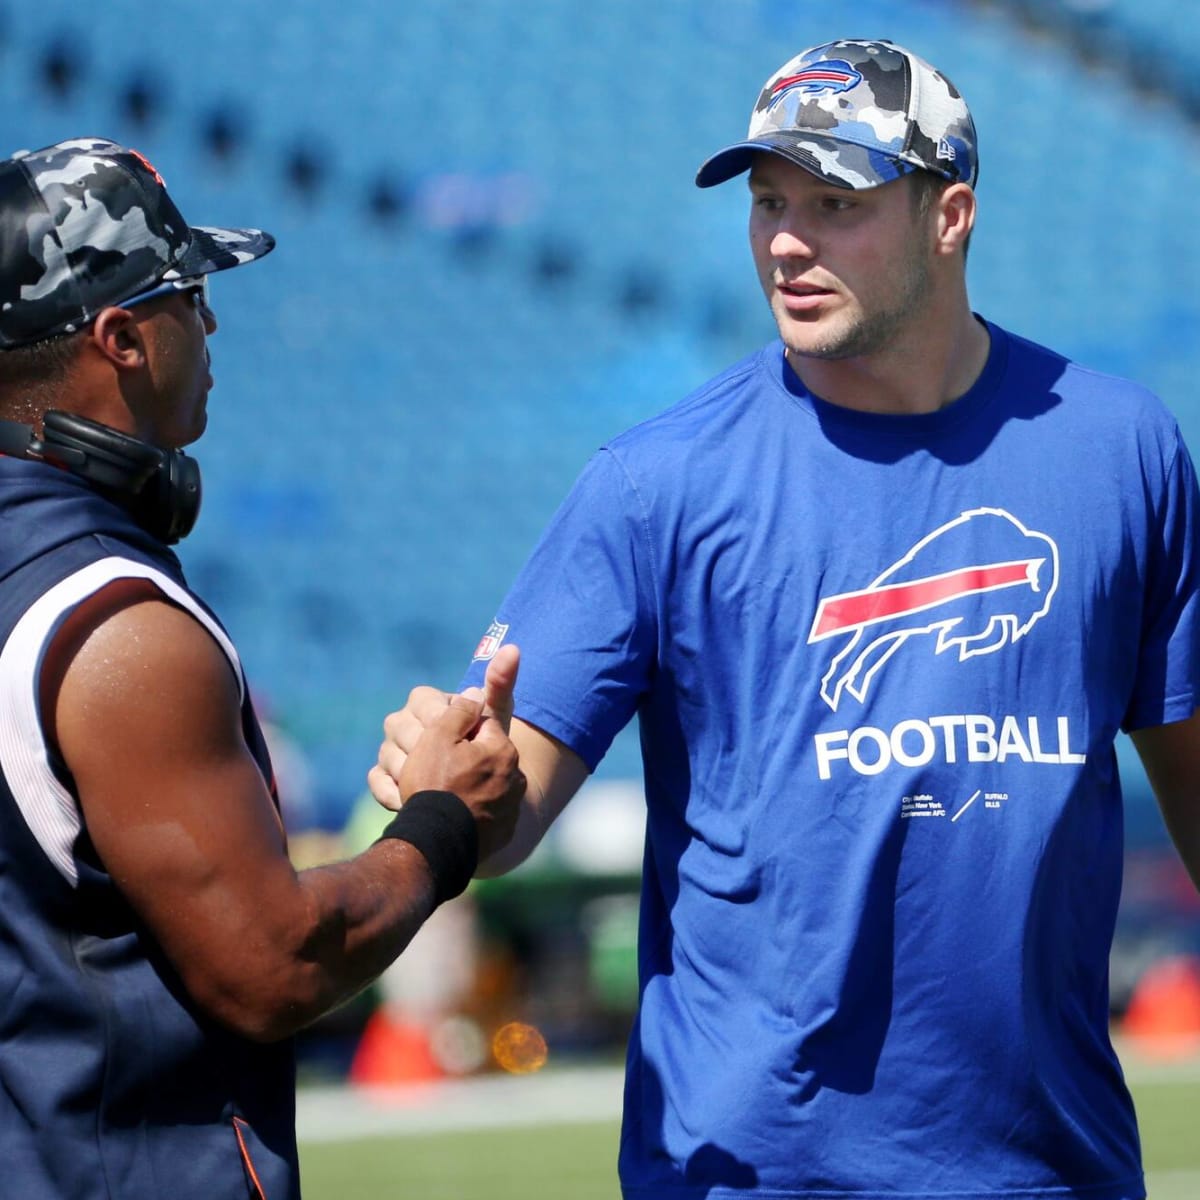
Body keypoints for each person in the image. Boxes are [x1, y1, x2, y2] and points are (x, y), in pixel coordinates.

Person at [371, 38, 1200, 1200]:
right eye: (768, 203)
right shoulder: (653, 485)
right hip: (746, 1175)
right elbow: (506, 810)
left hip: (1050, 1171)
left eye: (835, 202)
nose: (788, 241)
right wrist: (455, 790)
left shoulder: (1125, 453)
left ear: (949, 215)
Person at [0, 137, 524, 1200]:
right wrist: (441, 824)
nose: (213, 322)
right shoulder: (117, 627)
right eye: (188, 294)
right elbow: (268, 966)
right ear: (121, 337)